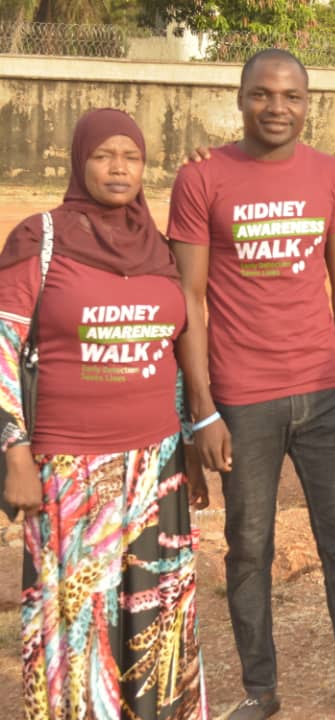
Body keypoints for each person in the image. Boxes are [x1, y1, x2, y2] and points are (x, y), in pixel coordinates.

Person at [167, 49, 335, 720]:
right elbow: (187, 297)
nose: (277, 107)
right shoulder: (202, 177)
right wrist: (204, 409)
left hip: (327, 390)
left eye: (291, 95)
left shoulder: (328, 174)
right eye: (262, 94)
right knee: (249, 546)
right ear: (240, 97)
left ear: (310, 102)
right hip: (243, 399)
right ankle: (260, 689)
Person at [0, 108, 208, 719]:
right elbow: (2, 346)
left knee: (155, 619)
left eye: (132, 157)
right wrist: (13, 448)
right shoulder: (40, 239)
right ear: (78, 161)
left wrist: (189, 442)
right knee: (79, 623)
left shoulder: (160, 248)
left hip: (155, 466)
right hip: (70, 470)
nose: (119, 168)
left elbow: (172, 352)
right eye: (103, 156)